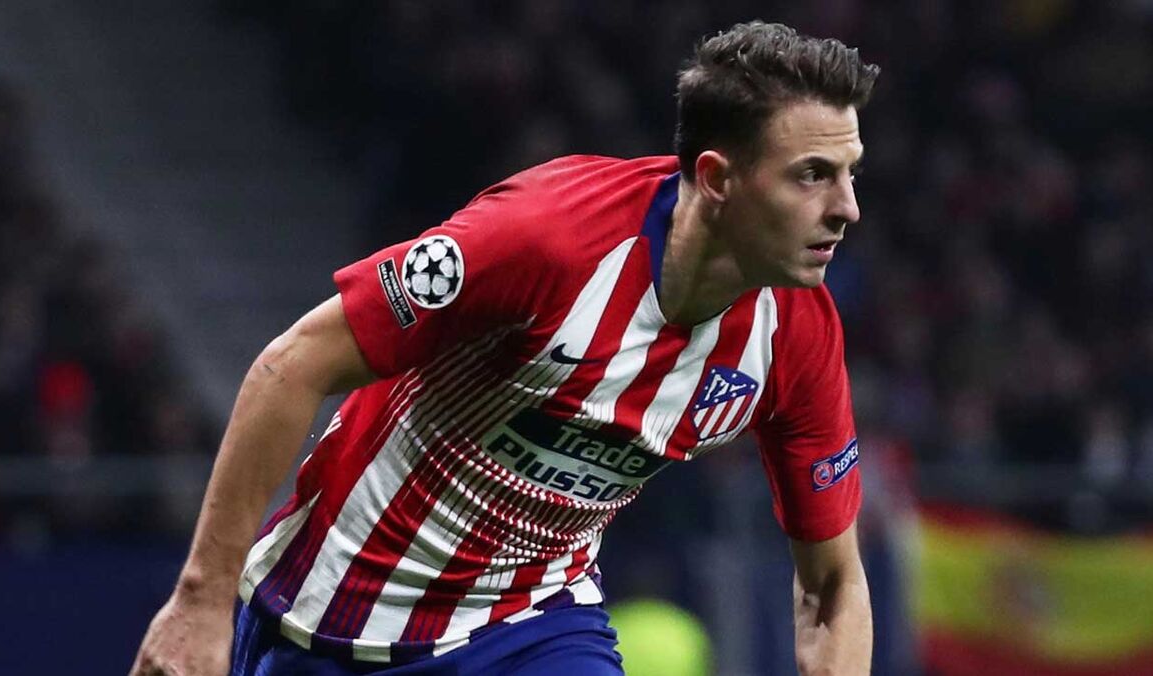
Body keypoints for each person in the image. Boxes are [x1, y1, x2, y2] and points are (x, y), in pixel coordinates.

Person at [131, 20, 879, 676]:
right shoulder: (548, 239)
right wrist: (200, 599)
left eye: (849, 174)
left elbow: (834, 583)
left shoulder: (798, 338)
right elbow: (294, 364)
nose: (845, 208)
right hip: (331, 617)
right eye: (812, 176)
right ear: (716, 178)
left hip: (531, 625)